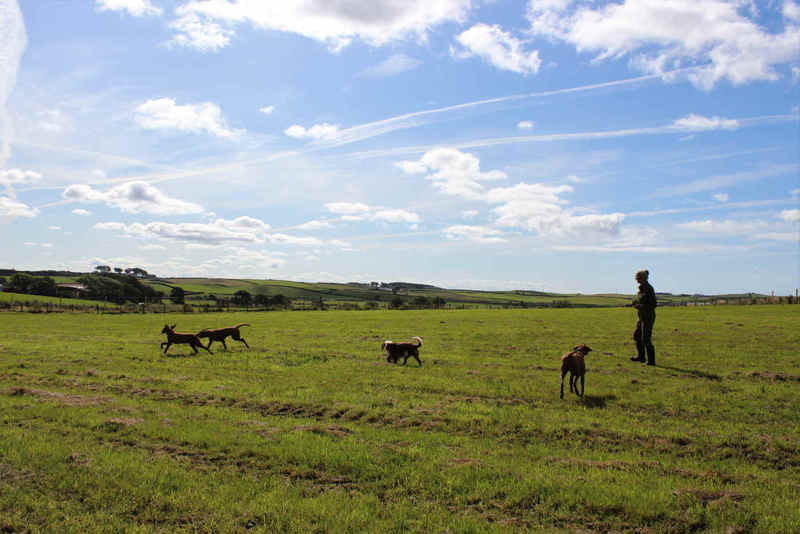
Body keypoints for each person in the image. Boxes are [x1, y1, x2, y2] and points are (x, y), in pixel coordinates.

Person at [631, 269, 656, 366]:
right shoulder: (641, 288)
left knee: (646, 339)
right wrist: (635, 303)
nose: (636, 280)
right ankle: (641, 357)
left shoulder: (648, 288)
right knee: (637, 336)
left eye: (638, 278)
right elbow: (639, 300)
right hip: (641, 316)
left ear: (643, 278)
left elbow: (653, 304)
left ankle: (651, 362)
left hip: (648, 316)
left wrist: (640, 306)